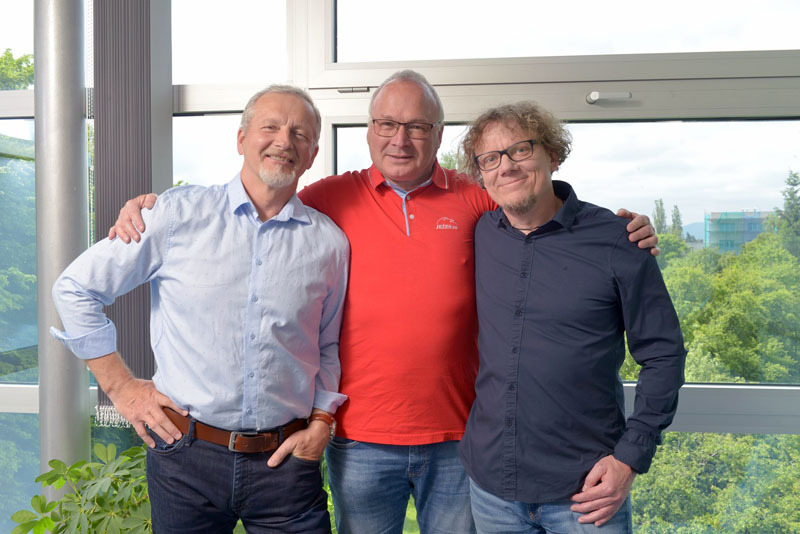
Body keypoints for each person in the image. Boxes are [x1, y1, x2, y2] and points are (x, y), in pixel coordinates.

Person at [109, 70, 659, 534]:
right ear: (370, 131)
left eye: (417, 126)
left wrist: (620, 228)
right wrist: (153, 207)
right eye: (387, 124)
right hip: (359, 441)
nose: (401, 139)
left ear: (438, 134)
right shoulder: (327, 199)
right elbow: (261, 196)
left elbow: (535, 207)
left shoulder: (474, 199)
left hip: (458, 440)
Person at [50, 85, 350, 534]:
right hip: (184, 460)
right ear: (241, 139)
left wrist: (323, 420)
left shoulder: (330, 244)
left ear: (312, 154)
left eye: (299, 134)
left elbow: (326, 345)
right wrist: (122, 388)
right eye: (270, 127)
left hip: (288, 464)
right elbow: (75, 289)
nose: (284, 141)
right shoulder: (175, 216)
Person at [457, 101, 686, 533]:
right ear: (481, 173)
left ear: (553, 154)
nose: (506, 166)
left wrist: (629, 458)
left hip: (587, 494)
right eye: (490, 158)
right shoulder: (480, 233)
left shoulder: (619, 241)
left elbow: (664, 355)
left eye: (521, 149)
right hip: (491, 489)